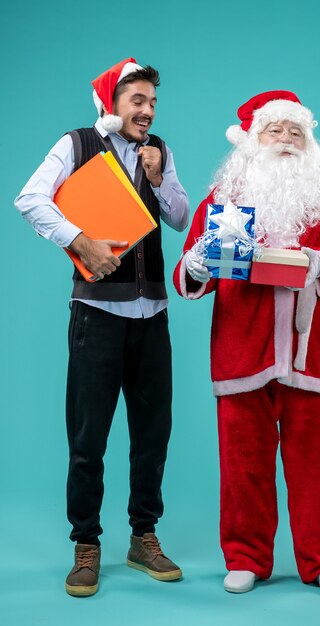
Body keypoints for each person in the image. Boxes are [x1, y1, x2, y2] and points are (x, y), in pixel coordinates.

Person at [173, 91, 320, 595]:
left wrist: (318, 263)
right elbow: (189, 275)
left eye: (295, 132)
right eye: (274, 131)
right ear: (249, 142)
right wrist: (194, 265)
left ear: (310, 143)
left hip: (312, 355)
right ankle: (246, 557)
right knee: (243, 467)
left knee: (318, 467)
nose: (286, 141)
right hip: (242, 353)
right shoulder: (221, 203)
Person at [15, 57, 189, 596]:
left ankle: (144, 537)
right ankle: (86, 544)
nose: (147, 112)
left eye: (153, 103)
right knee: (88, 436)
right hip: (96, 316)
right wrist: (77, 239)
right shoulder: (76, 144)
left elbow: (181, 217)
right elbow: (30, 199)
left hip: (152, 314)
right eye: (138, 101)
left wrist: (159, 181)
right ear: (112, 103)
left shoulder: (159, 151)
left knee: (152, 435)